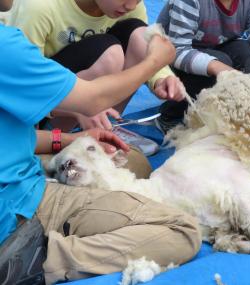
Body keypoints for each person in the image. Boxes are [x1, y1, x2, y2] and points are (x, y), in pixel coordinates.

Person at [0, 1, 201, 284]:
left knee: (134, 162)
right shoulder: (9, 42)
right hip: (16, 204)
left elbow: (9, 133)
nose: (130, 4)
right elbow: (91, 98)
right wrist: (155, 61)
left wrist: (69, 139)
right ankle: (37, 259)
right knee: (181, 230)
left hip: (24, 164)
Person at [8, 0, 186, 131]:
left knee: (138, 31)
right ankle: (56, 135)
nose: (131, 5)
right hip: (42, 107)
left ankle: (107, 127)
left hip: (90, 101)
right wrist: (78, 111)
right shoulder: (40, 7)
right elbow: (21, 82)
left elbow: (143, 43)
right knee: (110, 54)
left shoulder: (129, 6)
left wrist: (161, 77)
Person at [155, 0, 250, 133]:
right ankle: (171, 115)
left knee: (249, 55)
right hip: (173, 61)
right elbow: (176, 52)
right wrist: (219, 68)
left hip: (216, 48)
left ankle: (229, 110)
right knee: (220, 63)